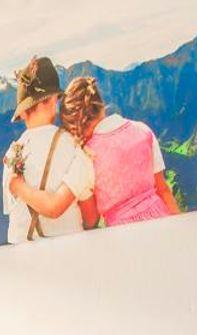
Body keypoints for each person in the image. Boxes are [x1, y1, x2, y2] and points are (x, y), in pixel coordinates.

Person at [57, 74, 180, 228]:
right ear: (101, 106)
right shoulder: (143, 130)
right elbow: (163, 190)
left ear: (76, 126)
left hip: (122, 233)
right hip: (161, 221)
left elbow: (91, 218)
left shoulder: (88, 156)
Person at [0, 56, 94, 245]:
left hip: (21, 255)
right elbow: (90, 217)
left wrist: (20, 186)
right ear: (54, 101)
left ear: (22, 113)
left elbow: (13, 212)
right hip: (69, 251)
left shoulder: (11, 155)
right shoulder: (74, 147)